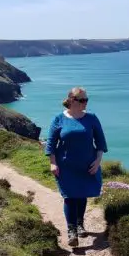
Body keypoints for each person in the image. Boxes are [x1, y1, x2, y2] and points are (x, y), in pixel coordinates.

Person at [44, 87, 108, 247]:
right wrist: (52, 162)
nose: (85, 102)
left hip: (87, 164)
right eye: (82, 100)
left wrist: (98, 160)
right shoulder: (59, 119)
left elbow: (101, 143)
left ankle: (80, 224)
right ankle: (72, 230)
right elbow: (51, 144)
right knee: (70, 197)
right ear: (72, 101)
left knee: (82, 195)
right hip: (66, 165)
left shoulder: (91, 118)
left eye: (86, 99)